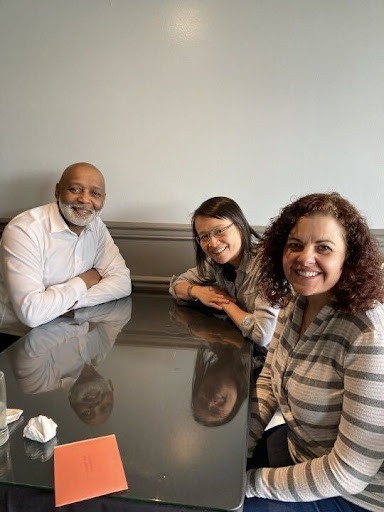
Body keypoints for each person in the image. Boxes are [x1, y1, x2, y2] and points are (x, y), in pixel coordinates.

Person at [245, 193, 384, 512]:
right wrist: (244, 446)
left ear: (348, 258)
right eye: (295, 244)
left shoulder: (368, 334)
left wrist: (251, 483)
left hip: (351, 495)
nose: (305, 258)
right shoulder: (297, 302)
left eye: (323, 247)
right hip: (298, 450)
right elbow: (268, 381)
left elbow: (349, 472)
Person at [0, 162, 131, 328]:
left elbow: (122, 283)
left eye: (95, 193)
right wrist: (84, 281)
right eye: (75, 189)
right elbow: (31, 313)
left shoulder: (96, 226)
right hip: (16, 339)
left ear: (103, 199)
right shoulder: (24, 230)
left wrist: (71, 301)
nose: (84, 199)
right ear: (57, 191)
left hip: (68, 330)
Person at [169, 197, 278, 348]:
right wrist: (198, 291)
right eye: (204, 236)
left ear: (239, 226)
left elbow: (263, 335)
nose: (213, 243)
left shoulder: (268, 263)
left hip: (275, 361)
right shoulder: (216, 262)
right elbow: (176, 285)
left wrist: (224, 303)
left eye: (219, 231)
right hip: (244, 348)